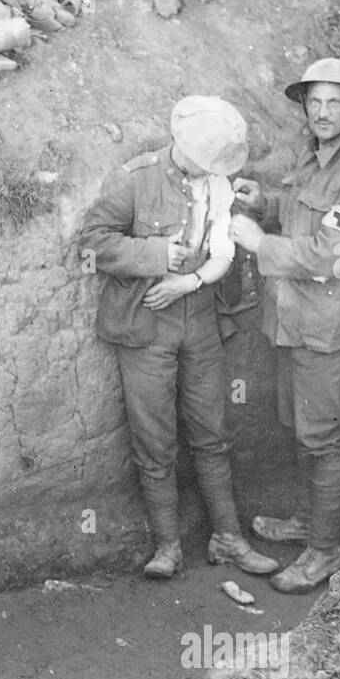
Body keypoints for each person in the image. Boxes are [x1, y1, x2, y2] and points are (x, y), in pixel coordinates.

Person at [78, 96, 278, 581]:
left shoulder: (218, 183)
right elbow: (93, 241)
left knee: (212, 432)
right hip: (145, 325)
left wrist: (190, 280)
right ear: (180, 143)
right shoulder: (134, 179)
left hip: (201, 317)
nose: (209, 170)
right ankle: (167, 545)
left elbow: (224, 246)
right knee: (155, 439)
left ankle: (227, 537)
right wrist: (157, 255)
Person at [231, 58, 340, 593]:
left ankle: (326, 549)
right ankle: (312, 523)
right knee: (300, 428)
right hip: (292, 320)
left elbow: (330, 254)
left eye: (334, 103)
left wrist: (259, 243)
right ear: (305, 105)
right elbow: (307, 211)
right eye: (315, 102)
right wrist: (268, 203)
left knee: (324, 438)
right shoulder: (314, 152)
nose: (323, 113)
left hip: (329, 328)